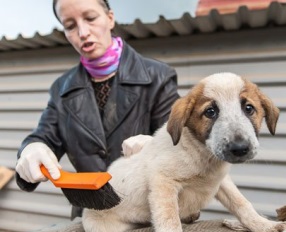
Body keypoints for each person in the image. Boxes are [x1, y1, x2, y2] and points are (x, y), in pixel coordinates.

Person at [15, 0, 180, 219]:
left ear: (110, 18)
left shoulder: (158, 77)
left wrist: (159, 146)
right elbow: (44, 137)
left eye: (90, 18)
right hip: (88, 216)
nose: (83, 32)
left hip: (145, 215)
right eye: (70, 26)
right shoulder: (61, 89)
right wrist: (31, 148)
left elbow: (182, 142)